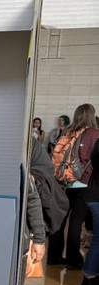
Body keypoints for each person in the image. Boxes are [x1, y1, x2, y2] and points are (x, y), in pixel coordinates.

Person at [46, 103, 99, 270]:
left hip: (63, 182)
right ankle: (73, 259)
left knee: (60, 220)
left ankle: (53, 256)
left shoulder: (67, 133)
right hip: (84, 183)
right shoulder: (95, 134)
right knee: (76, 222)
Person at [81, 137, 99, 285]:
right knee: (98, 240)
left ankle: (90, 276)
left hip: (93, 194)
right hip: (97, 197)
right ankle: (89, 278)